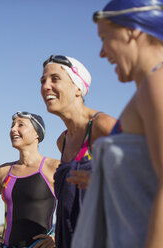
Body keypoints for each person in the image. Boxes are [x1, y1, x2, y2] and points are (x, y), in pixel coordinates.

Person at [71, 0, 163, 247]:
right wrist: (109, 178)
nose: (102, 52)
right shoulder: (149, 89)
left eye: (105, 38)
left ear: (132, 31)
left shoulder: (158, 84)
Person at [40, 55, 116, 248]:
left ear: (78, 88)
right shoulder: (62, 141)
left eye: (55, 79)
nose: (46, 86)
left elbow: (149, 177)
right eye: (43, 81)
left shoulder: (102, 126)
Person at [0, 111, 58, 248]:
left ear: (37, 133)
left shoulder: (54, 167)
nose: (13, 129)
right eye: (12, 125)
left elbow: (78, 206)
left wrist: (57, 236)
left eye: (21, 125)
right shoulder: (4, 171)